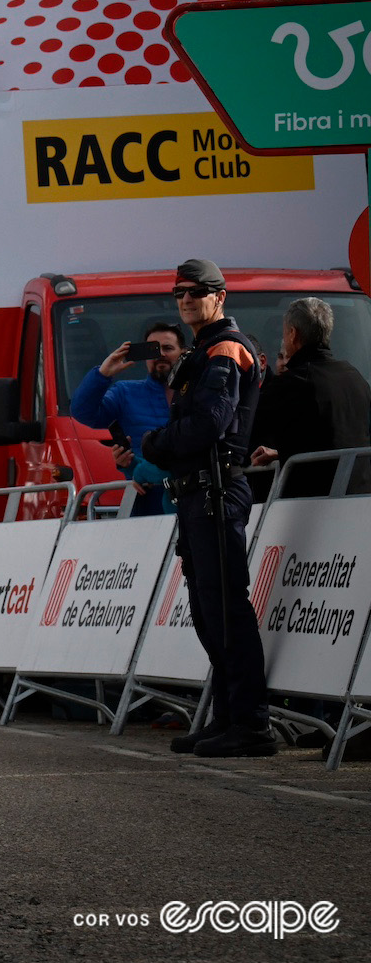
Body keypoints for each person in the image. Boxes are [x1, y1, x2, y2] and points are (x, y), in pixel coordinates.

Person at [140, 260, 273, 758]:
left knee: (226, 612)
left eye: (197, 292)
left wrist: (155, 442)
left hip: (217, 491)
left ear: (220, 296)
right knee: (207, 613)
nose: (186, 299)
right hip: (197, 493)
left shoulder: (224, 349)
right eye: (179, 293)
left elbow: (208, 425)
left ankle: (252, 725)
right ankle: (227, 718)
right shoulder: (203, 350)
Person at [250, 297, 371, 498]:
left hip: (311, 505)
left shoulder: (294, 383)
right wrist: (282, 453)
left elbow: (247, 429)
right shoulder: (355, 377)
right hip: (360, 498)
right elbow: (336, 439)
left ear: (292, 334)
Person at [72, 322, 186, 515]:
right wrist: (103, 373)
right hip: (145, 503)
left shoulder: (197, 391)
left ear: (183, 353)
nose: (160, 354)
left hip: (191, 499)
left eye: (168, 348)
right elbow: (83, 412)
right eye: (153, 349)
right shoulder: (125, 392)